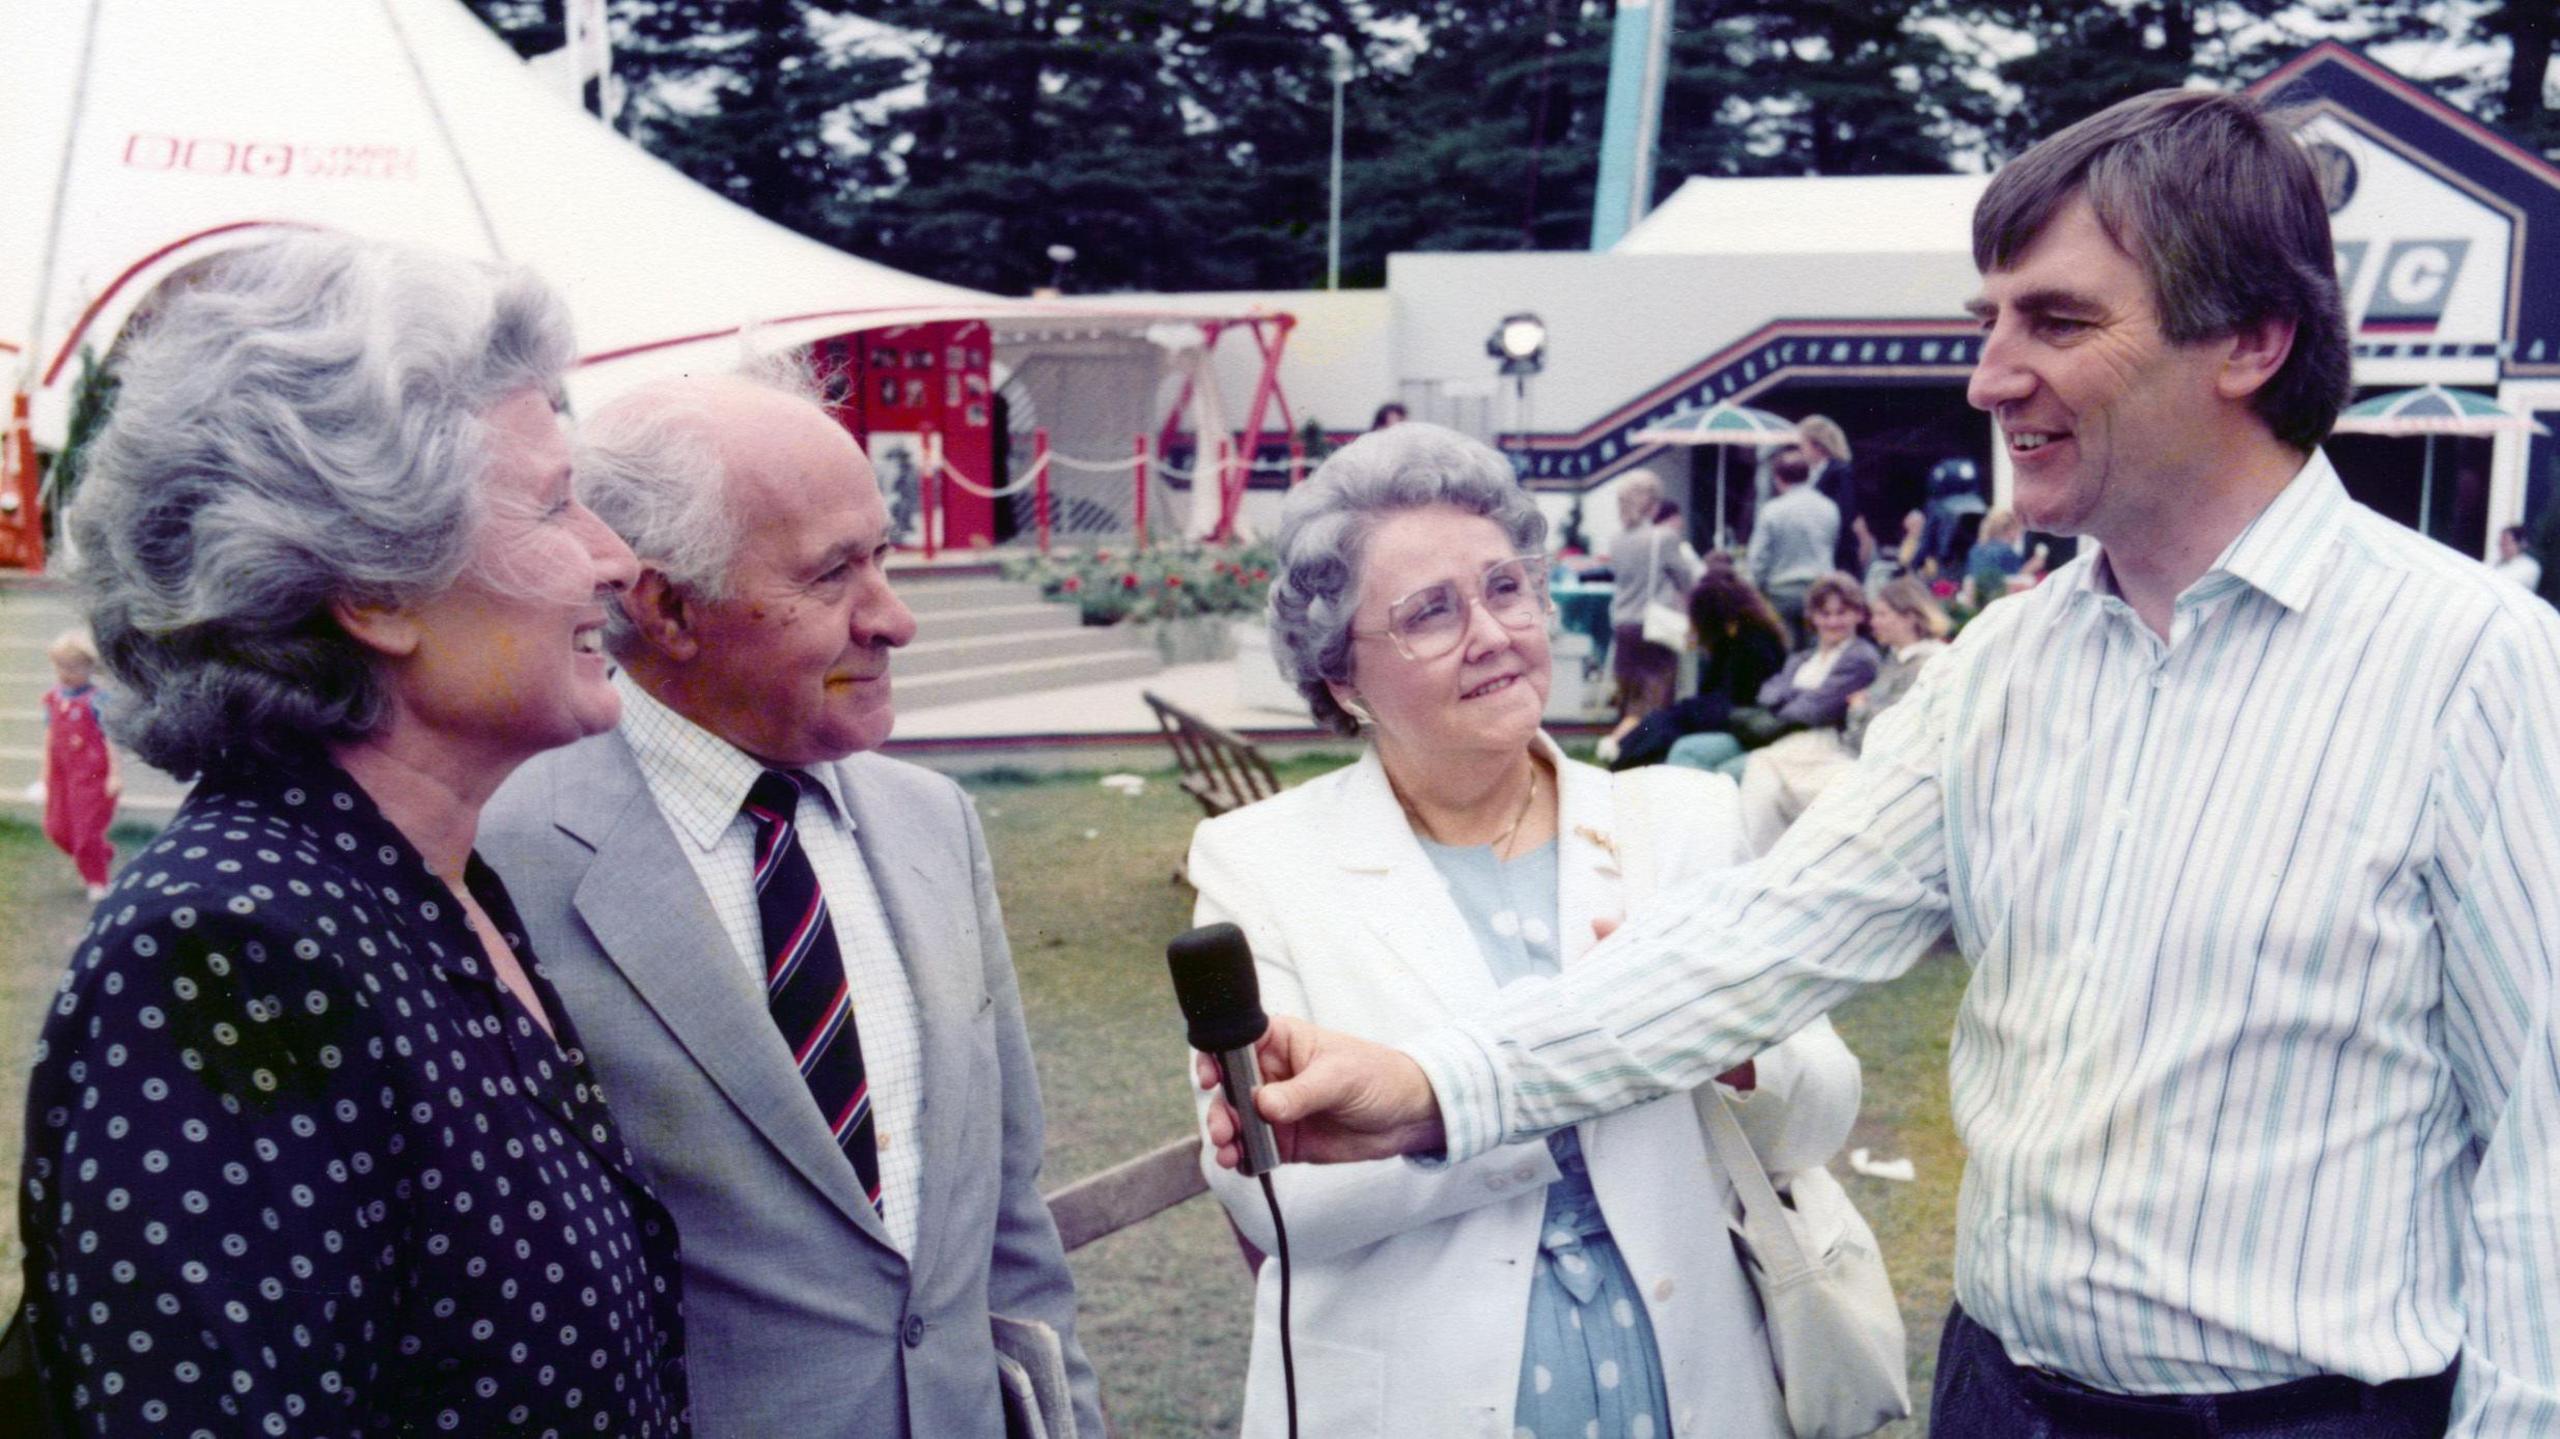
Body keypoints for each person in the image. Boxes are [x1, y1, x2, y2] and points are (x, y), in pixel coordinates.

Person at [1203, 88, 2560, 1437]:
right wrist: (1438, 1082)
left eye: (2059, 320)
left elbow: (2543, 1150)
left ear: (2251, 342)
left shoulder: (2474, 665)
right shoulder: (2005, 666)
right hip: (1998, 1393)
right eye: (1993, 320)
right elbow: (1760, 940)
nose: (1988, 377)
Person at [20, 232, 686, 1435]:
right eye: (552, 503)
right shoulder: (228, 958)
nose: (614, 555)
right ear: (374, 586)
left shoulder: (431, 883)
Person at [1188, 421, 1859, 1439]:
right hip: (1417, 1399)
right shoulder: (1260, 863)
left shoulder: (1682, 820)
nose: (1492, 632)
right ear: (1341, 678)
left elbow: (1819, 1116)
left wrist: (1729, 1049)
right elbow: (1273, 1203)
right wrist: (1553, 1094)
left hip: (1686, 1386)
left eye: (1506, 587)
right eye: (1430, 612)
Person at [479, 373, 1102, 1439]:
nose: (893, 618)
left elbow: (1007, 1227)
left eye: (883, 556)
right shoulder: (503, 858)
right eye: (831, 575)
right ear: (666, 606)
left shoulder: (933, 825)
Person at [1736, 577, 1949, 855]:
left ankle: (1760, 859)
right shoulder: (1896, 658)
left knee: (1766, 775)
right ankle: (1761, 859)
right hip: (1850, 750)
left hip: (1870, 762)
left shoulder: (1923, 664)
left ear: (1909, 617)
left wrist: (1860, 708)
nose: (1873, 623)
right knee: (1763, 768)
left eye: (1881, 614)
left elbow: (1890, 728)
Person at [1666, 571, 1879, 778]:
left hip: (1813, 742)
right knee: (1687, 750)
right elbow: (1766, 694)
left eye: (1841, 613)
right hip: (1773, 734)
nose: (1833, 622)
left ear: (1858, 614)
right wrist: (1801, 695)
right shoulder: (1803, 657)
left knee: (1728, 773)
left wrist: (1789, 698)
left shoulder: (1859, 657)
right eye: (1825, 614)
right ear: (1813, 617)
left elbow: (1812, 711)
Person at [1605, 568, 1790, 771]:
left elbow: (1736, 700)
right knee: (1659, 723)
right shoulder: (1744, 638)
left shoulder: (1755, 645)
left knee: (1662, 727)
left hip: (1743, 729)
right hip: (1728, 720)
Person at [1600, 468, 1700, 747]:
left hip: (1624, 622)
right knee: (1657, 693)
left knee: (1629, 693)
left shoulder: (1616, 540)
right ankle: (1648, 747)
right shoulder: (1664, 538)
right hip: (1657, 624)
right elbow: (1686, 580)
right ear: (1653, 503)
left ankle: (1622, 746)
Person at [38, 628, 119, 900]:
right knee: (56, 829)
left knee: (86, 831)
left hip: (91, 774)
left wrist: (115, 776)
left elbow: (111, 740)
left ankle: (97, 880)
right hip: (62, 772)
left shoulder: (97, 700)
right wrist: (43, 776)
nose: (64, 672)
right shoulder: (54, 699)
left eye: (73, 667)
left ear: (89, 667)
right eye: (59, 666)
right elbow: (50, 738)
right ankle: (100, 853)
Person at [1748, 449, 1839, 644]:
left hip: (1781, 591)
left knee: (1784, 652)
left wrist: (1755, 588)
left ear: (1778, 478)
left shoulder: (1772, 510)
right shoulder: (1829, 507)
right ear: (1808, 475)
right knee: (1817, 652)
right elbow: (1831, 545)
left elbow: (1759, 558)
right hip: (1819, 589)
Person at [2493, 523, 2541, 592]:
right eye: (2501, 543)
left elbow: (2503, 584)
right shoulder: (2499, 563)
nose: (2502, 546)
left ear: (2521, 544)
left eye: (2506, 542)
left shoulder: (2529, 566)